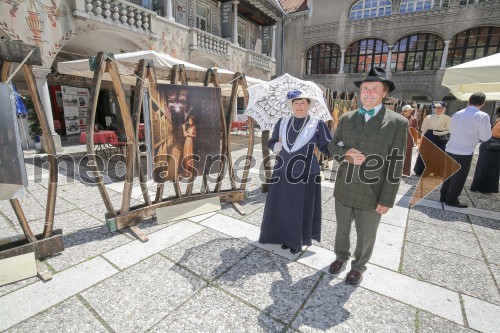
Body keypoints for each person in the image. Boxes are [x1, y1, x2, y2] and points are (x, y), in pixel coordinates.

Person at [327, 67, 407, 285]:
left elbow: (396, 163)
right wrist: (345, 155)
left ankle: (358, 266)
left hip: (373, 191)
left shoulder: (397, 122)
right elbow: (332, 145)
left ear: (384, 93)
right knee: (341, 228)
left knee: (366, 233)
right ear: (359, 92)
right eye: (364, 89)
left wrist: (387, 198)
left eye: (374, 89)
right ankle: (340, 257)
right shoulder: (347, 117)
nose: (368, 93)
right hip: (344, 185)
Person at [259, 90, 332, 254]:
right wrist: (275, 146)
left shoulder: (317, 124)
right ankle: (281, 236)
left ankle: (296, 239)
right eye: (296, 103)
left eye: (303, 103)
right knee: (283, 205)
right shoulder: (282, 122)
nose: (299, 106)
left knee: (300, 207)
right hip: (283, 169)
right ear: (291, 105)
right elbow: (272, 142)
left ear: (309, 105)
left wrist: (343, 152)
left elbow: (327, 146)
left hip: (305, 172)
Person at [440, 92, 491, 208]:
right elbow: (485, 137)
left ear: (469, 101)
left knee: (447, 174)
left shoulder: (457, 113)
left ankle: (443, 196)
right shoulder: (482, 116)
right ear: (482, 103)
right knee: (459, 176)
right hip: (464, 150)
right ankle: (451, 199)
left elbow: (451, 129)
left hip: (450, 147)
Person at [413, 102, 451, 176]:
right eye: (437, 108)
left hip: (440, 137)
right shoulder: (428, 117)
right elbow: (424, 129)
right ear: (434, 109)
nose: (439, 110)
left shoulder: (447, 118)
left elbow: (448, 130)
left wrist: (439, 133)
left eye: (440, 108)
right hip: (429, 135)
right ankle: (421, 170)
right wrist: (421, 141)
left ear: (443, 109)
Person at [471, 107, 500, 194]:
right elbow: (495, 133)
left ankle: (481, 187)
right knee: (489, 168)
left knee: (486, 167)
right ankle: (484, 188)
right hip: (492, 147)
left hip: (490, 146)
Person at [401, 104, 418, 177]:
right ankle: (396, 171)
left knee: (407, 156)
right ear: (404, 111)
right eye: (408, 111)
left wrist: (415, 140)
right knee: (399, 155)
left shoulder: (413, 119)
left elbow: (415, 130)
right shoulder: (399, 117)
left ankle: (405, 172)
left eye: (410, 110)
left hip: (409, 140)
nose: (410, 112)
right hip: (399, 139)